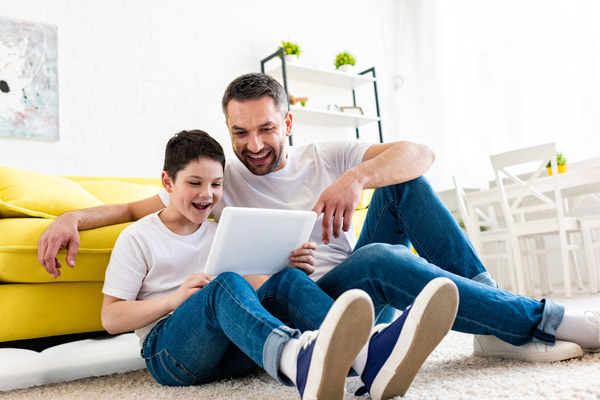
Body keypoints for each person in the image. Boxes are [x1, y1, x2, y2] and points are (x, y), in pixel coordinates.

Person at [38, 73, 600, 367]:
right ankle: (540, 319)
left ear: (287, 120)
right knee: (379, 259)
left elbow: (421, 153)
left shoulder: (328, 156)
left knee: (404, 182)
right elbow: (140, 208)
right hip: (305, 296)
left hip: (356, 287)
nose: (253, 145)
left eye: (265, 129)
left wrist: (356, 179)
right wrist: (73, 217)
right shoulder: (217, 183)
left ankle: (492, 309)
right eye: (240, 133)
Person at [100, 129, 461, 400]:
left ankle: (369, 355)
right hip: (168, 353)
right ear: (167, 182)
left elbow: (255, 287)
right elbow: (111, 318)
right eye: (194, 183)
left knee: (280, 279)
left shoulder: (219, 231)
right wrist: (172, 300)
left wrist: (289, 271)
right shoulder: (139, 237)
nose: (206, 194)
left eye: (215, 184)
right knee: (222, 284)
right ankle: (296, 359)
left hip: (228, 351)